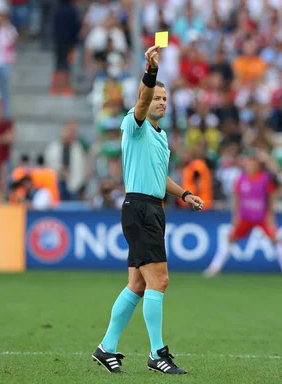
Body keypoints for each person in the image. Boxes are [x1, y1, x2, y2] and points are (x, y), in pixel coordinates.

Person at [92, 45, 203, 375]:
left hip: (151, 207)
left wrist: (184, 193)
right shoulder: (135, 122)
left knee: (138, 285)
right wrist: (151, 71)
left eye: (165, 99)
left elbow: (159, 175)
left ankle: (106, 348)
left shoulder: (160, 135)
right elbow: (140, 100)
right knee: (161, 280)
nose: (161, 102)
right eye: (157, 98)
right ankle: (157, 353)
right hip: (140, 208)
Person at [203, 150, 282, 280]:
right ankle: (214, 268)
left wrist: (270, 216)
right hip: (245, 217)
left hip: (262, 217)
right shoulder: (240, 179)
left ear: (257, 165)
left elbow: (271, 198)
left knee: (276, 239)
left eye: (253, 163)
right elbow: (236, 199)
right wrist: (235, 217)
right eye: (248, 163)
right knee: (230, 239)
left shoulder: (265, 178)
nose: (250, 166)